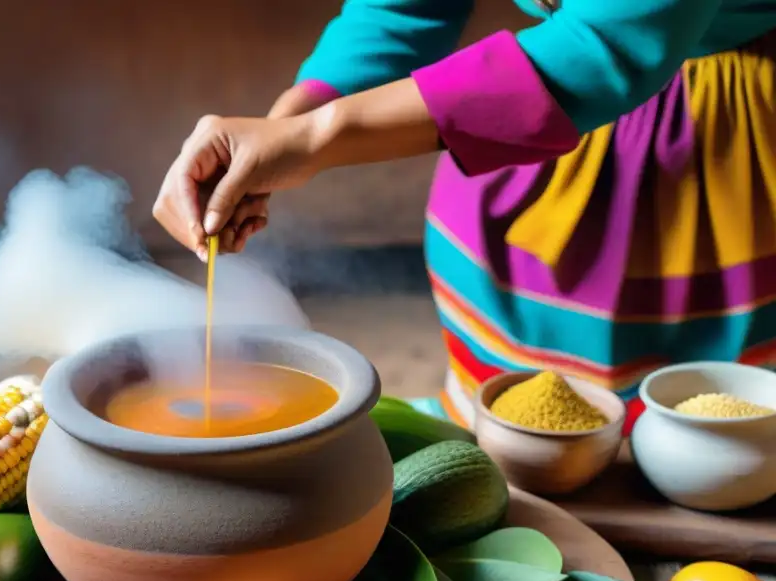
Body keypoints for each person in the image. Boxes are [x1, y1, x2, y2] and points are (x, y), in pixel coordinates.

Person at [153, 0, 776, 432]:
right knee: (517, 411)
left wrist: (319, 137)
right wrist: (288, 124)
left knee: (698, 431)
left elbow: (604, 49)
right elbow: (408, 7)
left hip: (724, 142)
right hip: (524, 120)